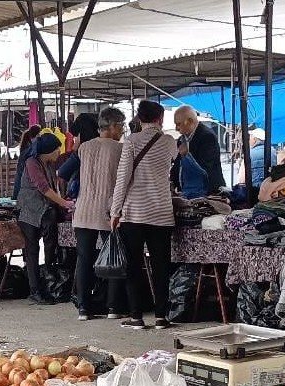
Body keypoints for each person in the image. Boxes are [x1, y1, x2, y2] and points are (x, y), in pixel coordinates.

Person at [110, 100, 178, 329]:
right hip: (161, 212)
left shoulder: (131, 142)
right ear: (160, 119)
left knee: (134, 266)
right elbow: (173, 165)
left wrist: (115, 211)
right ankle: (161, 317)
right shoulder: (169, 142)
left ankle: (137, 316)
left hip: (135, 213)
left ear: (139, 119)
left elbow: (122, 179)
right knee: (161, 266)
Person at [71, 107, 126, 321]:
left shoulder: (84, 147)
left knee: (84, 260)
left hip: (83, 210)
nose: (121, 130)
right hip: (106, 210)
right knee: (113, 257)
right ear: (111, 126)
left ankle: (83, 308)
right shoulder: (119, 149)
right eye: (120, 126)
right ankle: (112, 307)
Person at [16, 132, 69, 305]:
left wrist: (61, 203)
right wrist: (65, 204)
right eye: (57, 150)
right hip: (29, 212)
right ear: (49, 150)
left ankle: (48, 280)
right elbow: (44, 188)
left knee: (49, 246)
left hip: (43, 210)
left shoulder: (47, 164)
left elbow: (53, 188)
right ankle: (35, 290)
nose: (58, 153)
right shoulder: (32, 162)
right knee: (32, 251)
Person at [172, 105, 225, 198]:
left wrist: (186, 155)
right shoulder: (181, 139)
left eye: (179, 124)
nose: (176, 128)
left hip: (207, 192)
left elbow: (204, 169)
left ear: (190, 121)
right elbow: (177, 165)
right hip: (186, 193)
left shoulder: (207, 136)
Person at [57, 112, 101, 199]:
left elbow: (61, 173)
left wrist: (63, 198)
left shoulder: (81, 153)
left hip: (83, 199)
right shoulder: (107, 149)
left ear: (82, 134)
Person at [11, 124, 43, 198]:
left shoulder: (27, 147)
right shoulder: (31, 149)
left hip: (21, 180)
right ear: (37, 134)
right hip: (24, 181)